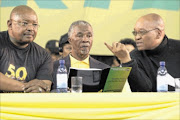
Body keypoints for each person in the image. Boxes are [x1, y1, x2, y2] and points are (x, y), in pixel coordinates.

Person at [105, 13, 180, 92]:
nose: (137, 37)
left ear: (158, 33)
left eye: (142, 32)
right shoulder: (134, 56)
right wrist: (126, 61)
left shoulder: (177, 48)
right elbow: (144, 90)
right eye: (135, 33)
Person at [0, 5, 53, 93]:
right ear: (10, 24)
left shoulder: (43, 55)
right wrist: (24, 86)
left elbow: (45, 85)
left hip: (26, 105)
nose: (31, 28)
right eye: (24, 23)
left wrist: (39, 89)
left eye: (35, 24)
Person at [52, 20, 109, 92]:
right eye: (80, 36)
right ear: (70, 40)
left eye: (89, 36)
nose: (85, 40)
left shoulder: (104, 69)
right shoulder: (54, 67)